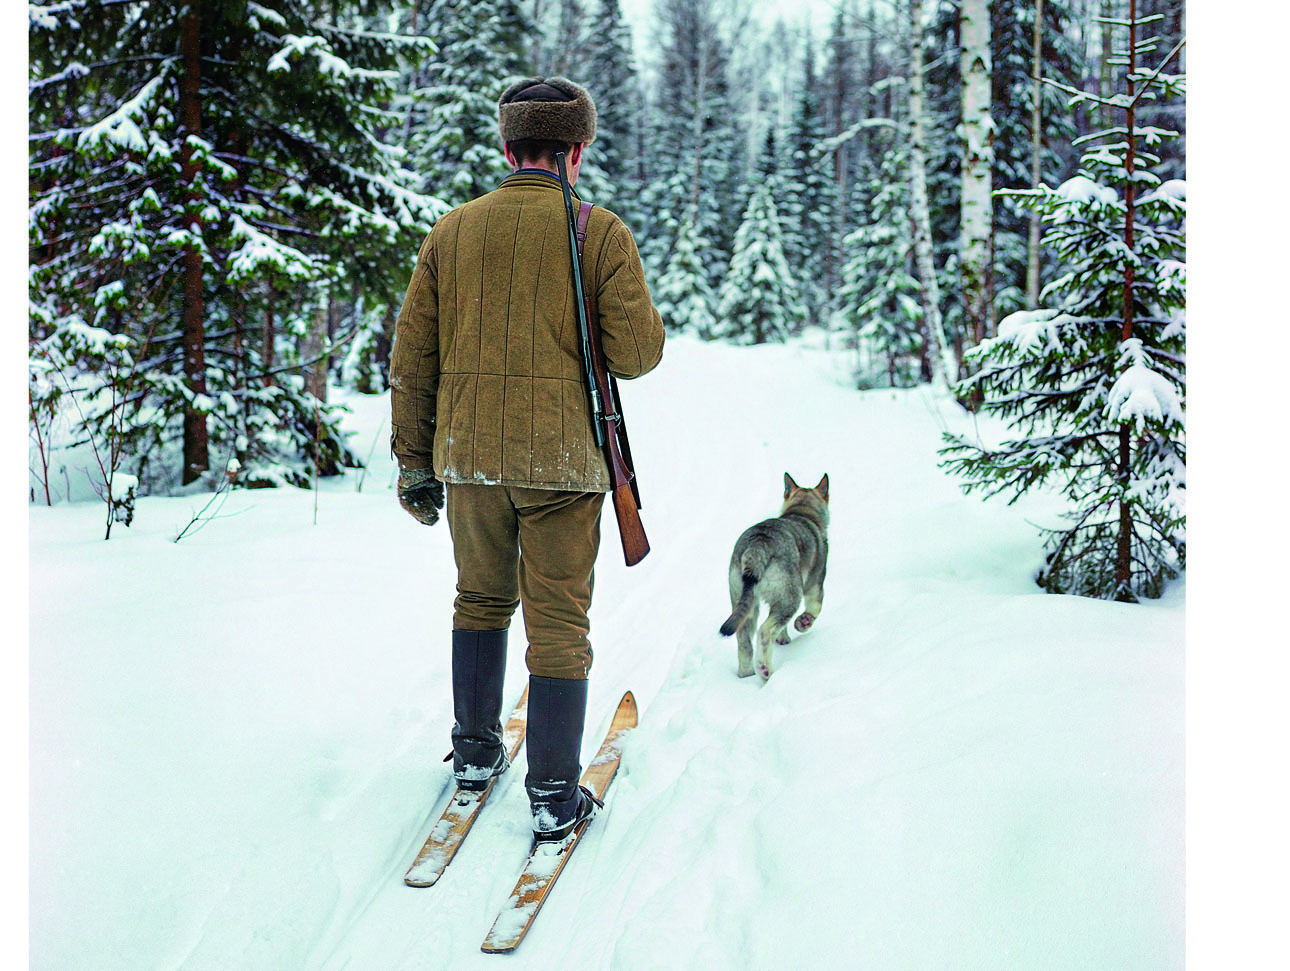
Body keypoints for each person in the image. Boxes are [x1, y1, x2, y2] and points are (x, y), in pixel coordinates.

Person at [388, 76, 665, 843]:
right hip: (564, 466)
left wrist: (414, 461)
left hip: (470, 460)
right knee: (558, 624)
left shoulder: (451, 231)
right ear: (578, 150)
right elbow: (638, 355)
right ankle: (551, 795)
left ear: (508, 149)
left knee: (478, 600)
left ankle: (476, 755)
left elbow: (411, 358)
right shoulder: (600, 232)